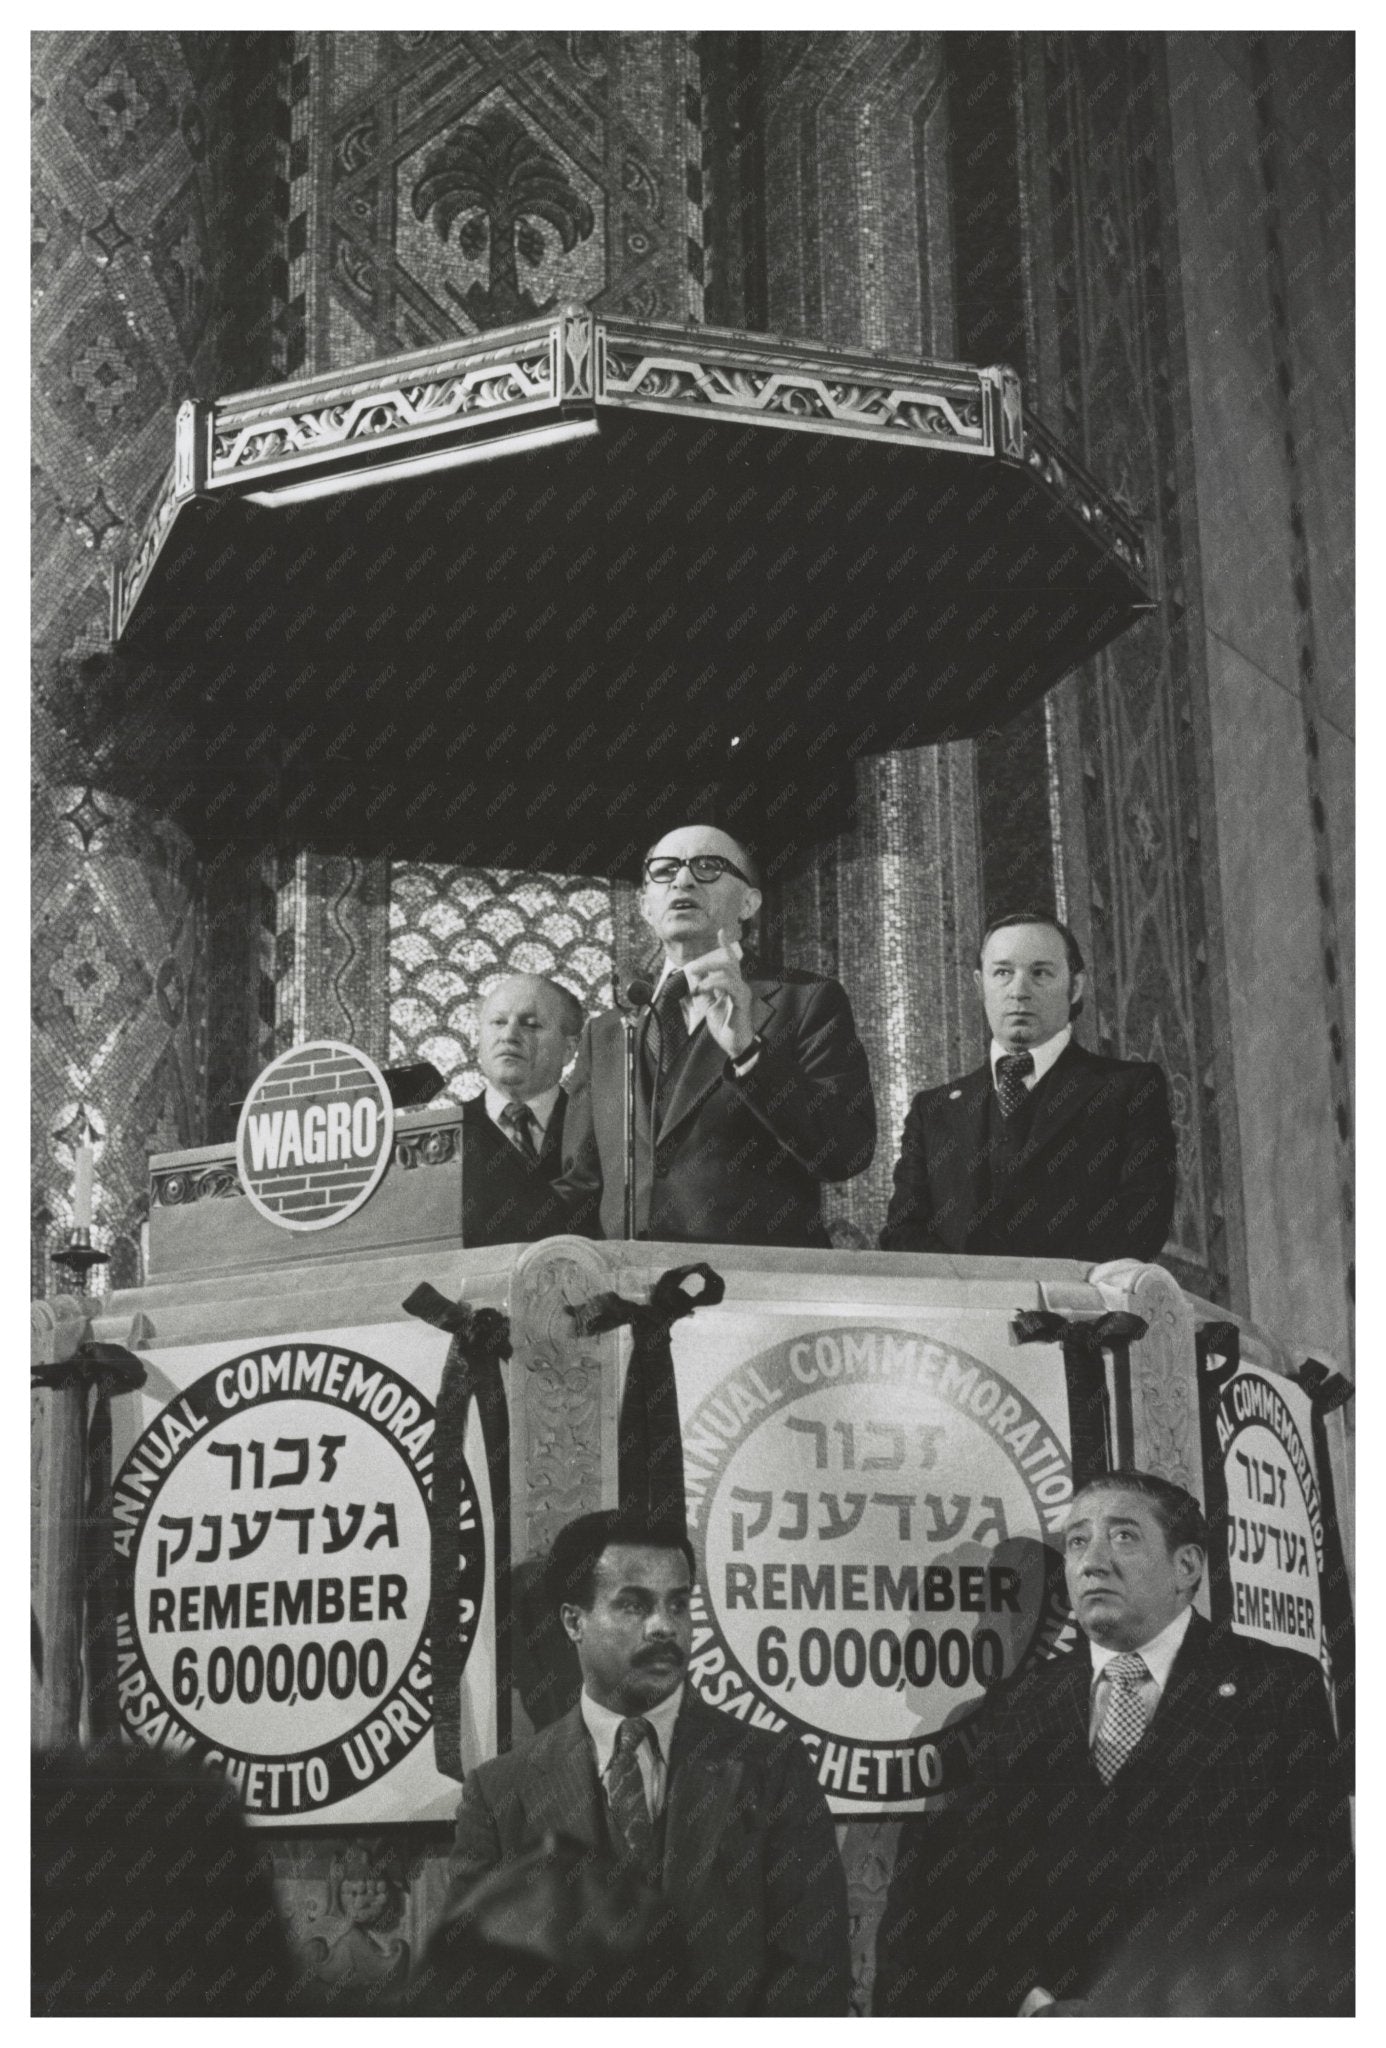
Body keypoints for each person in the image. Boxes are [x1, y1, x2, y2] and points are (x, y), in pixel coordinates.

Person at [875, 1470, 1353, 2016]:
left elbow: (1317, 1895)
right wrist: (1033, 2004)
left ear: (1187, 1566)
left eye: (1123, 1536)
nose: (1091, 1561)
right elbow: (966, 1895)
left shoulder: (1274, 1686)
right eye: (1078, 1540)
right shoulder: (1015, 1707)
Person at [445, 1509, 851, 2015]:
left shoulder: (772, 1770)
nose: (665, 1627)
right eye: (634, 1606)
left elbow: (813, 1972)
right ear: (575, 1621)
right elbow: (472, 1994)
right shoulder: (500, 1793)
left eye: (678, 1605)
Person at [556, 824, 875, 1246]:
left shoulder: (807, 1001)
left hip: (754, 1287)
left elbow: (845, 1151)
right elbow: (580, 1186)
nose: (683, 880)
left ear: (748, 902)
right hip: (628, 1291)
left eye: (708, 867)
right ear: (645, 906)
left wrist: (748, 1054)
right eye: (665, 870)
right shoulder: (608, 1032)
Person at [880, 909, 1176, 1260]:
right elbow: (903, 1232)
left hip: (1075, 1310)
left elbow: (1142, 1223)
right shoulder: (934, 1111)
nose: (1019, 991)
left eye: (1040, 973)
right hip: (960, 1310)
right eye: (1002, 972)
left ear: (1075, 986)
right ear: (980, 986)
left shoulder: (1127, 1090)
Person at [462, 973, 583, 1246]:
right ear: (478, 1037)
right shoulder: (446, 1138)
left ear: (569, 1048)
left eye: (531, 1025)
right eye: (498, 1022)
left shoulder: (597, 1129)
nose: (509, 1035)